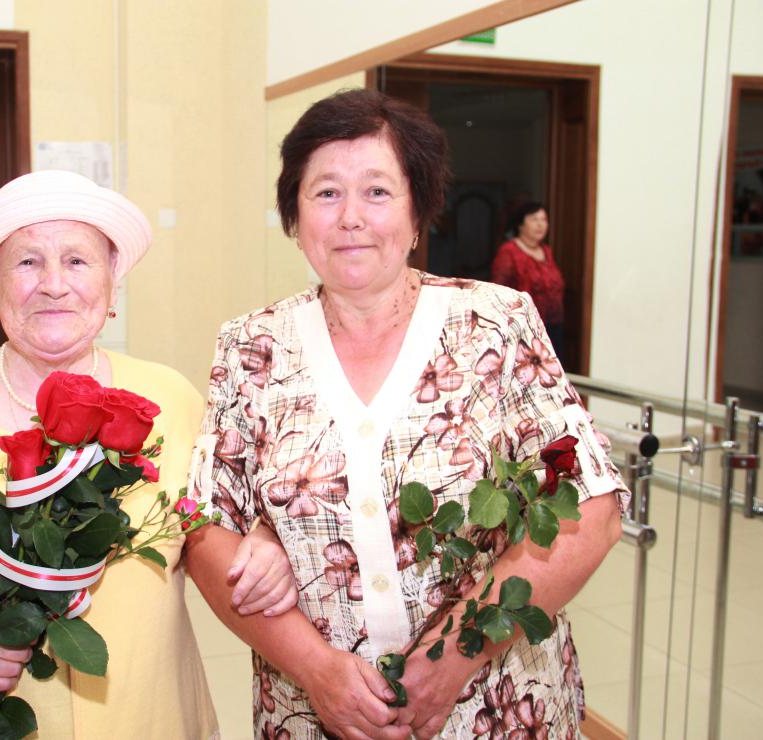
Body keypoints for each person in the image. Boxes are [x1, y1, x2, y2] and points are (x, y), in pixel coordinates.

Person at [183, 89, 628, 739]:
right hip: (312, 713)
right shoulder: (252, 345)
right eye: (326, 193)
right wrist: (316, 670)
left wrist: (450, 662)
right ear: (294, 215)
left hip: (494, 706)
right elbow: (203, 523)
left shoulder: (496, 323)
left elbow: (589, 505)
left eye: (377, 191)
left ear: (418, 211)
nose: (351, 218)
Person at [0, 171, 297, 738]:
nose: (53, 284)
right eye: (26, 262)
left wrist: (269, 537)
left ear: (111, 281)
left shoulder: (169, 399)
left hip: (151, 720)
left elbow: (226, 527)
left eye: (76, 261)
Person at [490, 203, 566, 356]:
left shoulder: (546, 251)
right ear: (521, 224)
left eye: (544, 219)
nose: (540, 224)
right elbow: (497, 291)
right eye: (534, 219)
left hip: (552, 326)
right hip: (523, 329)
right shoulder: (509, 251)